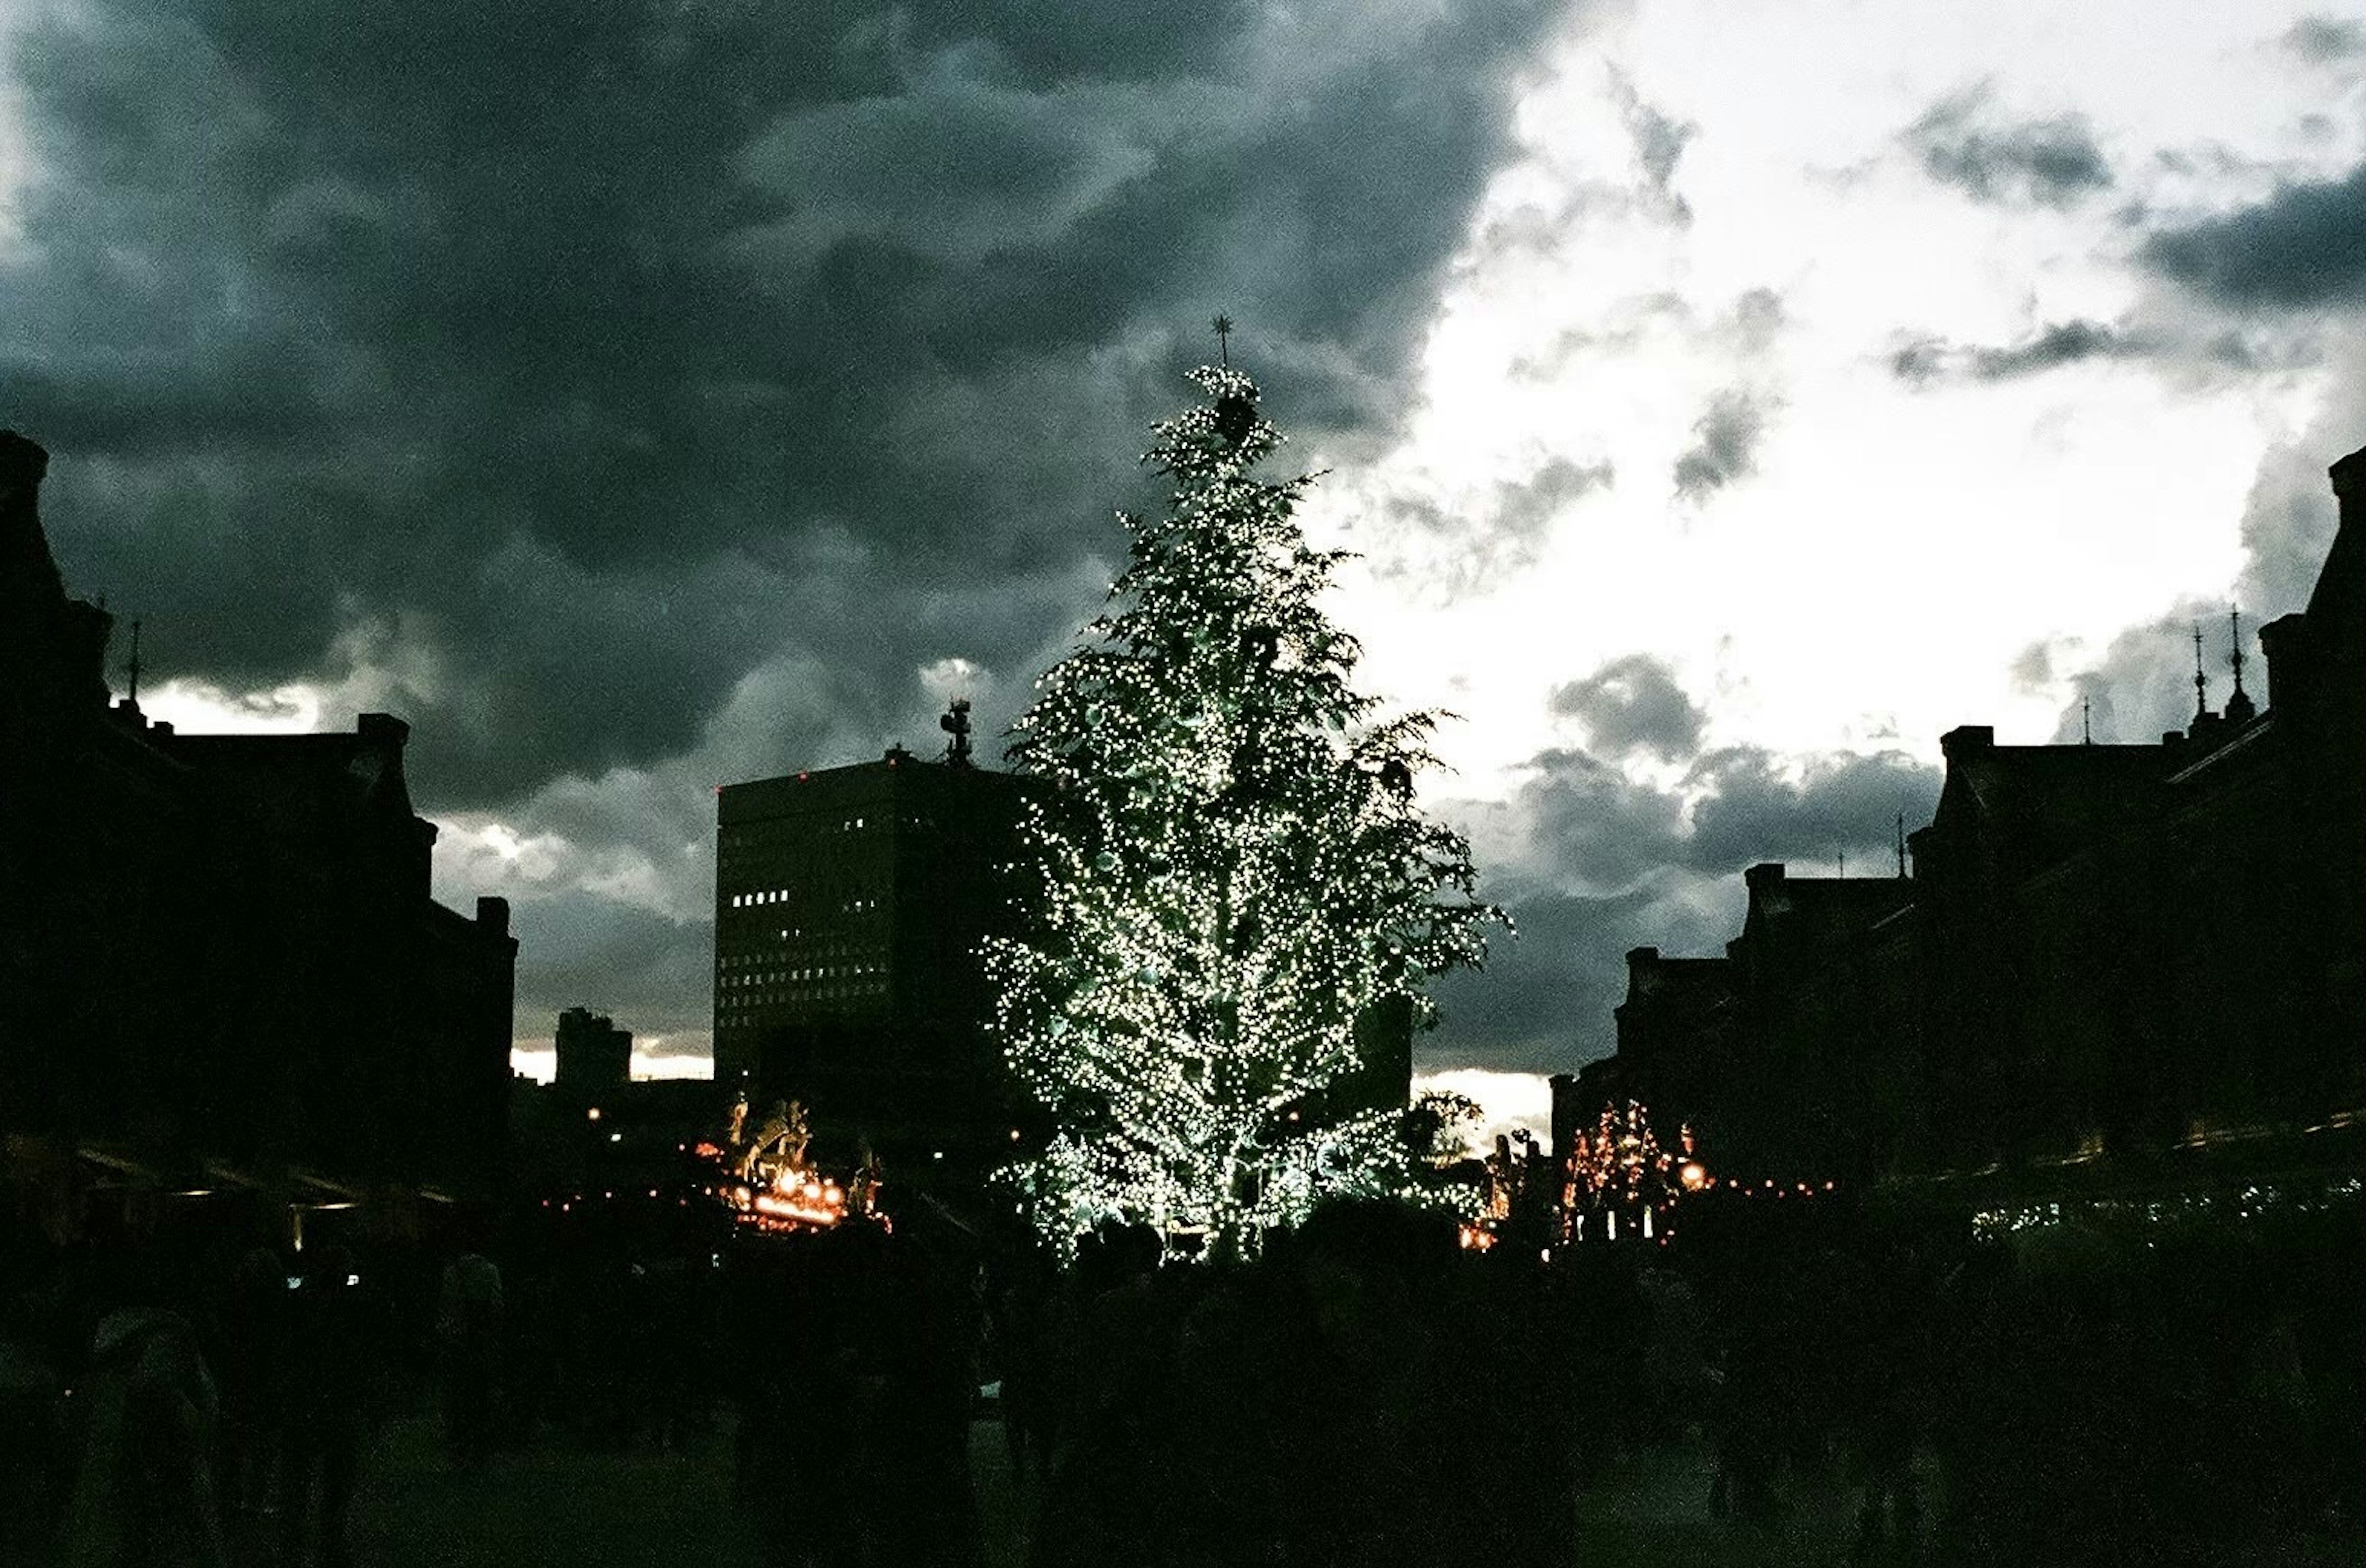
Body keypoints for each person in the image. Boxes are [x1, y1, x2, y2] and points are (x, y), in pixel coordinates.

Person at [438, 1239, 505, 1471]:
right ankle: (481, 1447)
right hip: (482, 1340)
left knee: (459, 1394)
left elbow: (448, 1306)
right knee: (483, 1393)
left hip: (458, 1340)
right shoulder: (490, 1270)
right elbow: (497, 1306)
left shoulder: (452, 1272)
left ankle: (459, 1445)